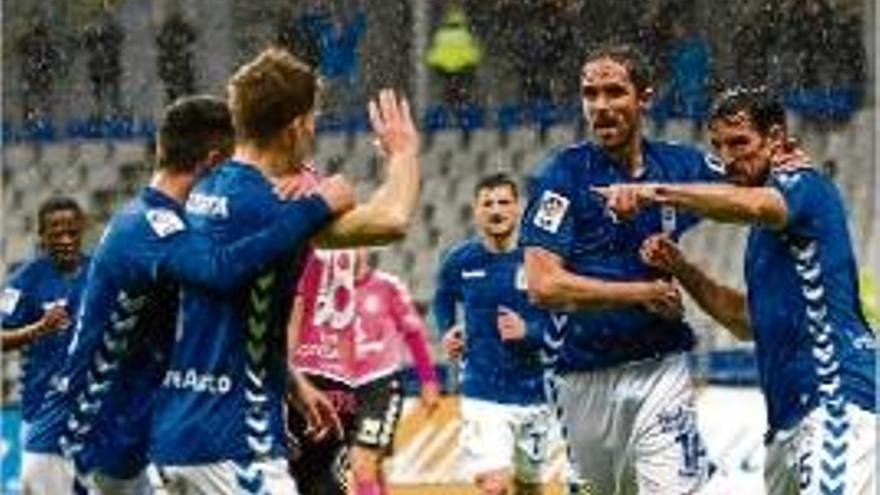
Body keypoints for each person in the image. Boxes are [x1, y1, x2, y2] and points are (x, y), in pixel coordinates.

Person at [26, 95, 352, 495]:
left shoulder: (174, 232)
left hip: (123, 452)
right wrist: (317, 206)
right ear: (213, 162)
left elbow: (208, 324)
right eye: (232, 164)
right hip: (74, 451)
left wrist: (287, 383)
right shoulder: (147, 227)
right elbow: (222, 272)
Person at [150, 48, 421, 494]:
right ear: (296, 126)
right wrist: (403, 154)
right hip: (232, 442)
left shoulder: (201, 185)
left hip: (172, 433)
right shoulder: (280, 207)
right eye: (313, 119)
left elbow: (228, 314)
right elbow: (392, 219)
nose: (314, 128)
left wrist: (292, 384)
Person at [598, 87, 877, 495]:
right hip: (785, 424)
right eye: (718, 146)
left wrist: (651, 191)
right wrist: (682, 268)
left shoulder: (804, 185)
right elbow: (746, 321)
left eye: (740, 142)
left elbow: (753, 205)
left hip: (836, 403)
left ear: (776, 138)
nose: (728, 158)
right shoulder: (761, 238)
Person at [519, 43, 725, 494]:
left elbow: (747, 181)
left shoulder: (676, 164)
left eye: (615, 92)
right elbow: (542, 284)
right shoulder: (562, 176)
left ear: (645, 97)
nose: (601, 107)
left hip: (660, 370)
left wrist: (783, 167)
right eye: (590, 94)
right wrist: (643, 293)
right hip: (581, 378)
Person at [432, 173, 551, 495]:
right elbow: (442, 297)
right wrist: (447, 331)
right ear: (475, 210)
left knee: (529, 485)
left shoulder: (540, 259)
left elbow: (564, 321)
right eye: (487, 203)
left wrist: (530, 332)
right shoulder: (460, 260)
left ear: (518, 208)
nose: (496, 210)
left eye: (503, 202)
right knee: (493, 485)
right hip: (482, 390)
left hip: (534, 391)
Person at [288, 248, 440, 495]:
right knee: (363, 465)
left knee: (362, 462)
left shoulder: (388, 285)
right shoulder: (325, 288)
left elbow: (413, 332)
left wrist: (428, 379)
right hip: (341, 384)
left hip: (379, 384)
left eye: (357, 243)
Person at [1, 197, 90, 494]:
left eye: (72, 233)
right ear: (41, 235)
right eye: (55, 234)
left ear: (83, 230)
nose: (65, 240)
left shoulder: (102, 275)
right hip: (41, 411)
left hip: (94, 411)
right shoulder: (24, 281)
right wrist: (38, 328)